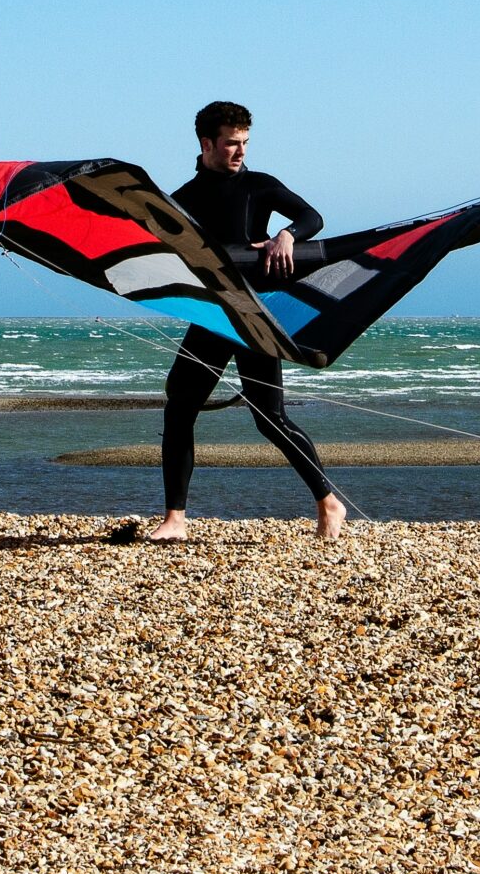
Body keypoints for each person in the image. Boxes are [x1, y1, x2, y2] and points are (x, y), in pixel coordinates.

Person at [144, 99, 345, 542]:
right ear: (207, 143)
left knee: (270, 417)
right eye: (232, 144)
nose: (241, 152)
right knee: (179, 408)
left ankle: (329, 501)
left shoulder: (259, 185)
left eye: (245, 143)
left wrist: (286, 236)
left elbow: (312, 217)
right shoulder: (182, 200)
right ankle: (174, 519)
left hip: (255, 315)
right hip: (214, 314)